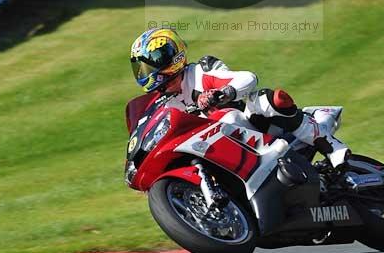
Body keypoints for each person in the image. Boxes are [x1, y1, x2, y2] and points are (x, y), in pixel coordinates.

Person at [128, 28, 348, 164]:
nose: (146, 74)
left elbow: (248, 78)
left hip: (250, 129)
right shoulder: (164, 104)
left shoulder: (199, 73)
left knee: (263, 100)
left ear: (168, 59)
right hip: (212, 150)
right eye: (141, 69)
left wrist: (220, 94)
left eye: (149, 66)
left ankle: (331, 147)